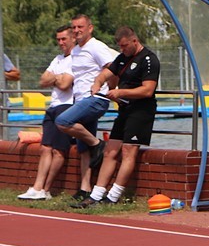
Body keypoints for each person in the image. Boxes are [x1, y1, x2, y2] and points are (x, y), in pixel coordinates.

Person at [72, 27, 161, 207]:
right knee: (110, 151)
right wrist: (97, 84)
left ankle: (113, 196)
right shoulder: (122, 58)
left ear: (134, 41)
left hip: (141, 110)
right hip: (125, 109)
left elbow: (148, 90)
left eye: (125, 46)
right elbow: (105, 74)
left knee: (128, 151)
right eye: (120, 46)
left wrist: (121, 92)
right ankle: (96, 195)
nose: (122, 49)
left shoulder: (149, 59)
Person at [54, 14, 118, 200]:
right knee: (83, 149)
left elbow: (112, 68)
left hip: (95, 99)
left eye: (80, 27)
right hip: (80, 100)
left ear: (90, 28)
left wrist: (110, 88)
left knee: (62, 121)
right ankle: (85, 189)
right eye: (74, 27)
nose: (76, 31)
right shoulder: (75, 51)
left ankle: (98, 144)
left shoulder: (96, 47)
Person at [18, 26, 76, 200]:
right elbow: (43, 80)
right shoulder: (57, 59)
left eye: (64, 39)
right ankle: (37, 187)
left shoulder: (77, 59)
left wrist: (55, 78)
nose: (61, 42)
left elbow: (65, 84)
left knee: (58, 150)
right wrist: (58, 77)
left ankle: (46, 189)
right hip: (53, 107)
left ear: (73, 38)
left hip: (67, 106)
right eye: (58, 39)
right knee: (45, 148)